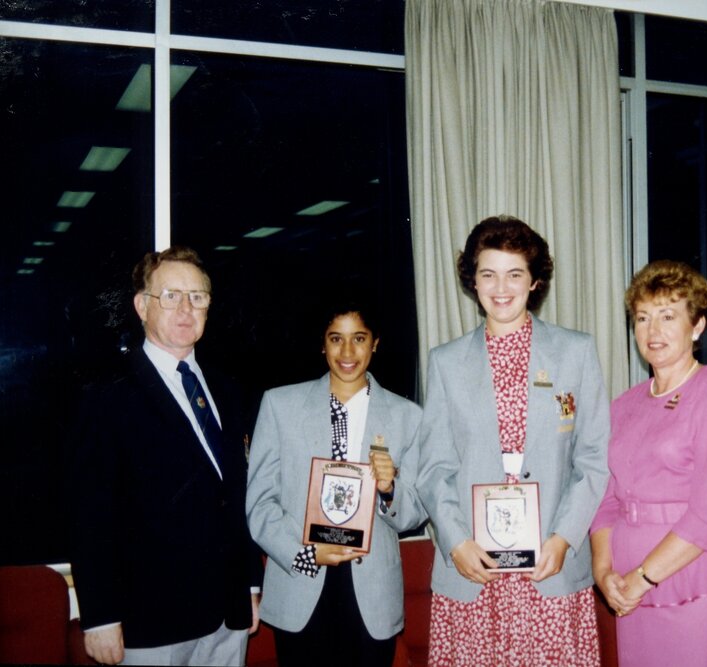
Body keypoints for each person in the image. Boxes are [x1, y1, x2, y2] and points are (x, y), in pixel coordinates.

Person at [417, 215, 611, 666]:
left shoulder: (576, 352)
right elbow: (433, 469)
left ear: (535, 280)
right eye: (488, 274)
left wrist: (564, 538)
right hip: (473, 569)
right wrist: (455, 542)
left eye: (514, 274)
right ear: (472, 280)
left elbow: (593, 459)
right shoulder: (445, 362)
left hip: (550, 565)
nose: (500, 287)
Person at [71, 246, 262, 666]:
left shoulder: (228, 391)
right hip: (150, 621)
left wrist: (248, 586)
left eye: (197, 297)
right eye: (171, 295)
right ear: (142, 306)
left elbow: (236, 496)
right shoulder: (107, 397)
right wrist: (99, 617)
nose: (186, 308)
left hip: (226, 616)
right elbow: (90, 514)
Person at [589, 259, 707, 667]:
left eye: (668, 316)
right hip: (629, 585)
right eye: (643, 318)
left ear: (697, 325)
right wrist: (604, 572)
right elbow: (606, 499)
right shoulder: (623, 405)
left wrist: (643, 578)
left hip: (696, 576)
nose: (653, 331)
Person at [246, 299, 425, 667]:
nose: (347, 352)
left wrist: (389, 489)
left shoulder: (408, 417)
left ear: (375, 343)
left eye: (359, 338)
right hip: (301, 583)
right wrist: (306, 555)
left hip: (372, 594)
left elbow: (414, 515)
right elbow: (259, 504)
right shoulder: (280, 405)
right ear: (322, 343)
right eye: (336, 339)